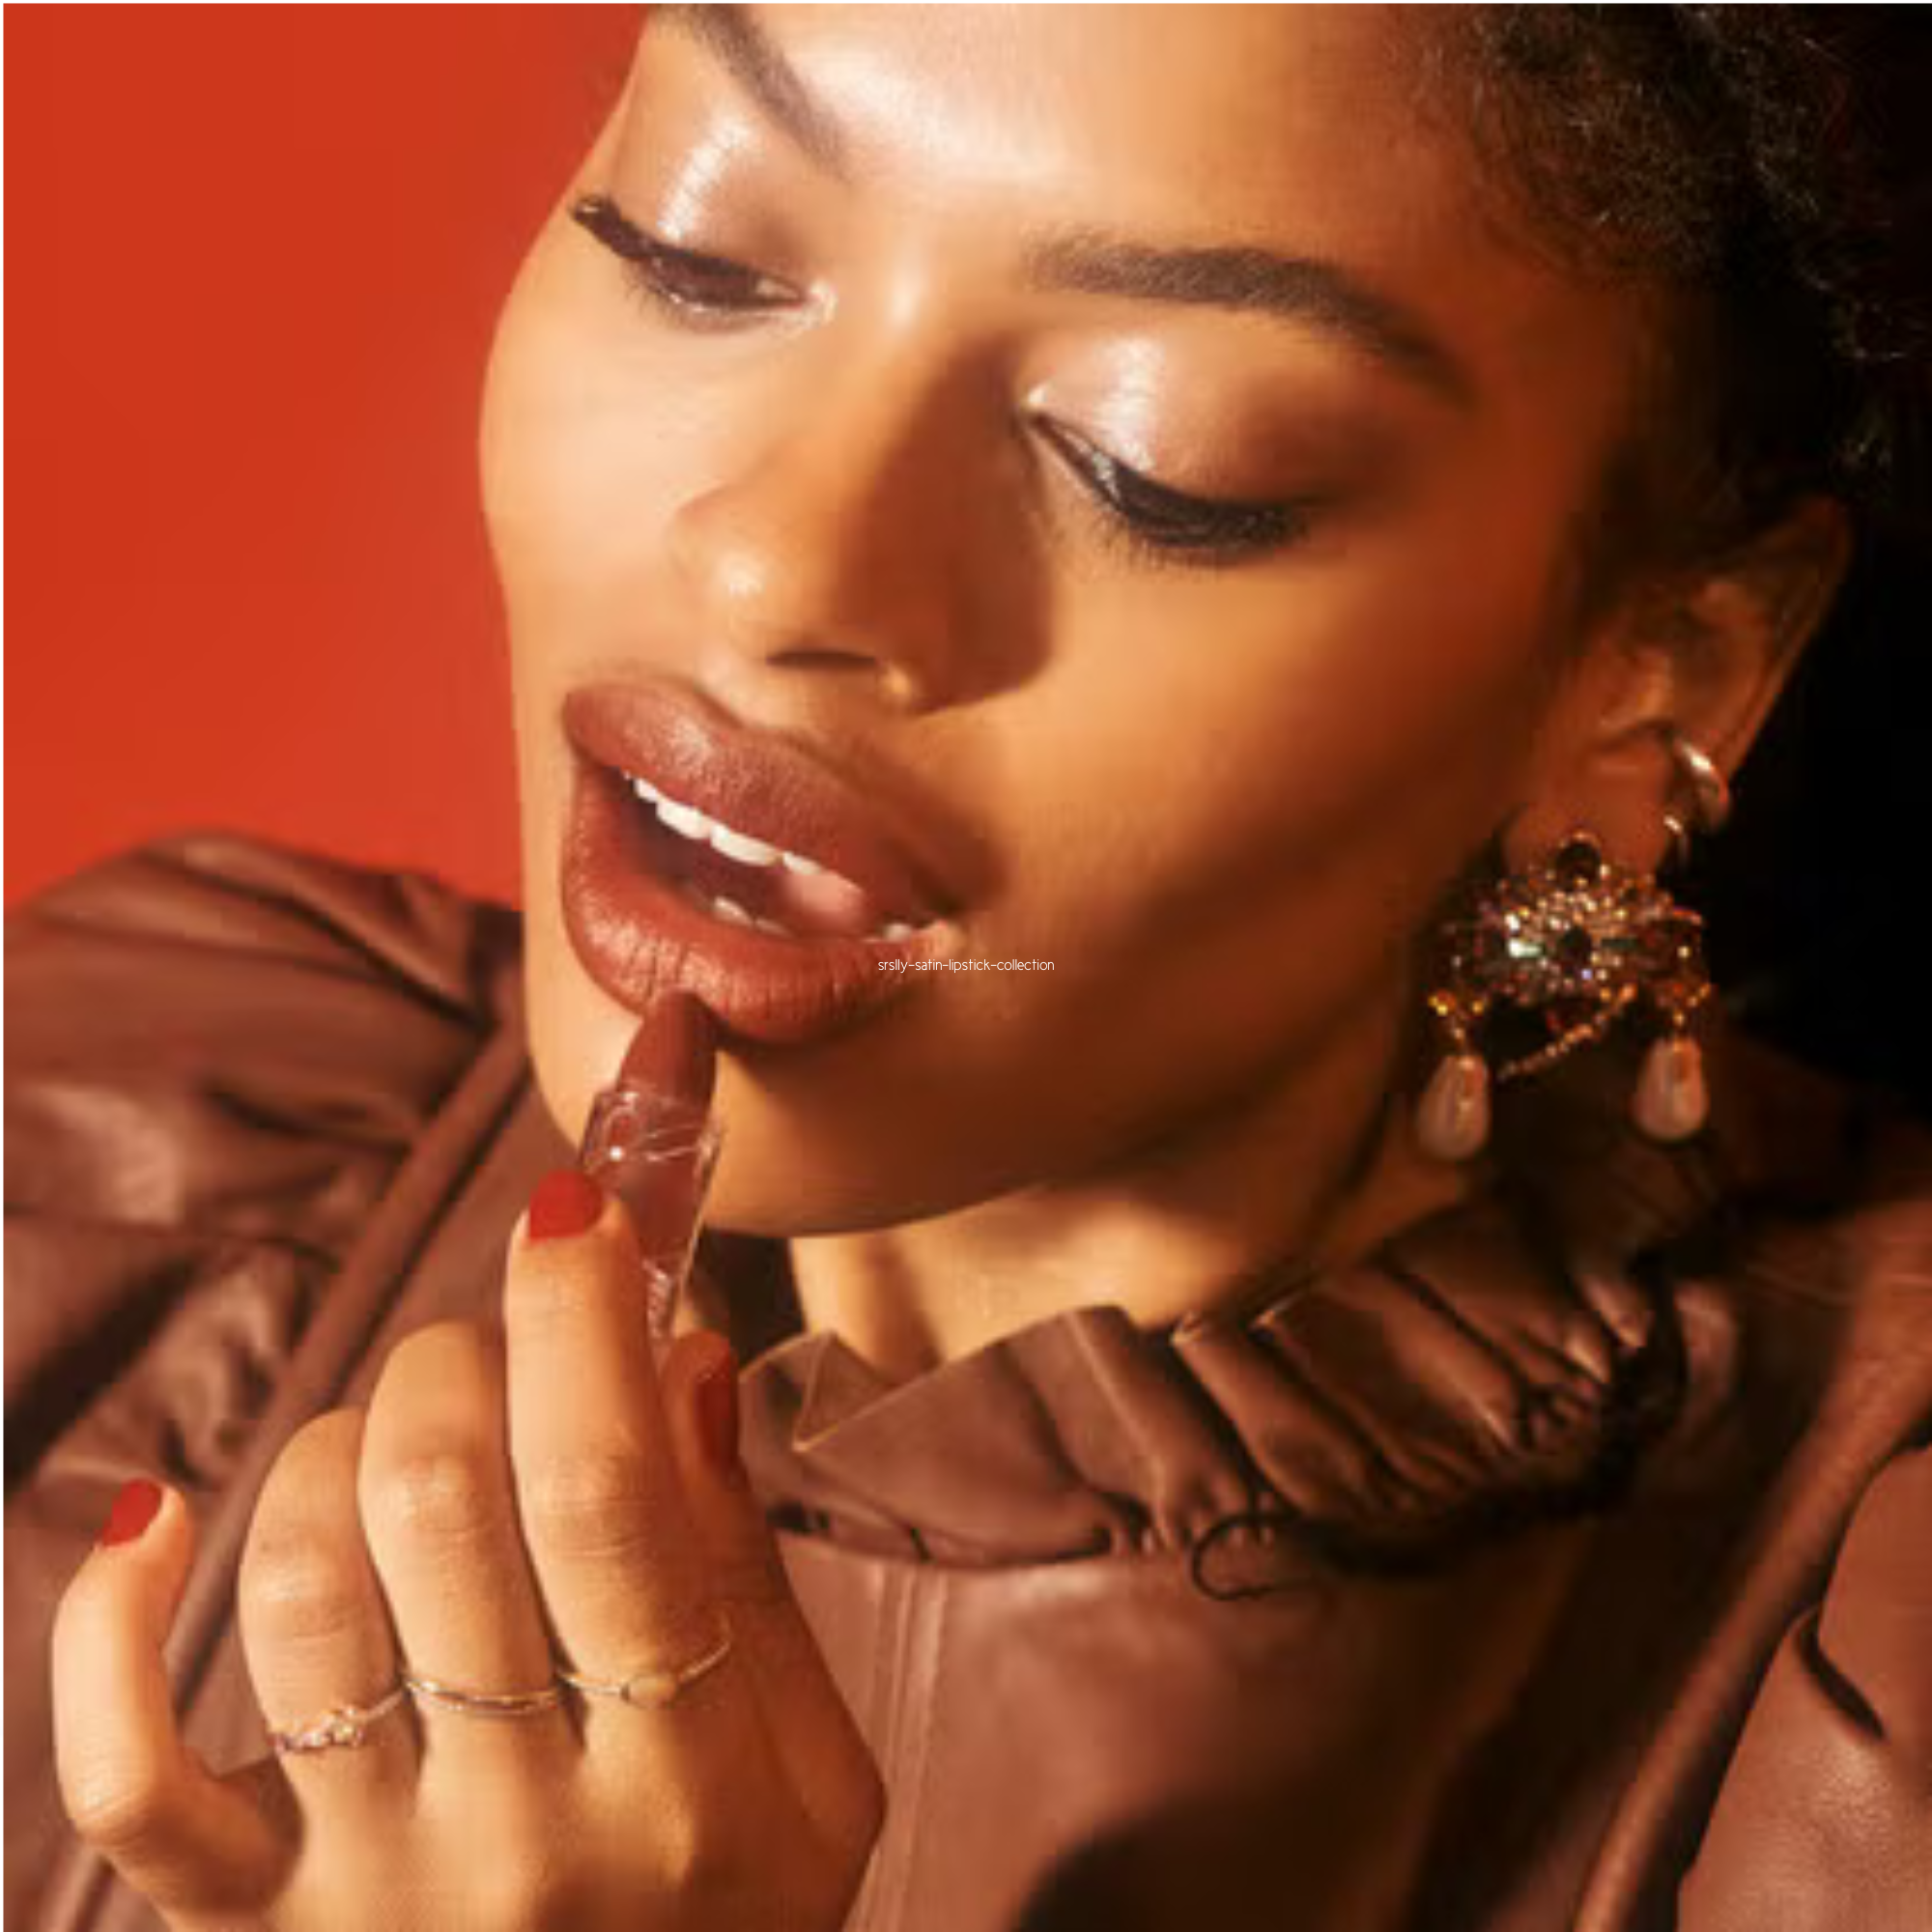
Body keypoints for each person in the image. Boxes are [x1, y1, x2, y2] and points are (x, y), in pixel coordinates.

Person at [9, 7, 1932, 1928]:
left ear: (1655, 678)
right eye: (700, 250)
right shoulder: (130, 1170)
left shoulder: (1863, 1694)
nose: (776, 560)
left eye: (1148, 463)